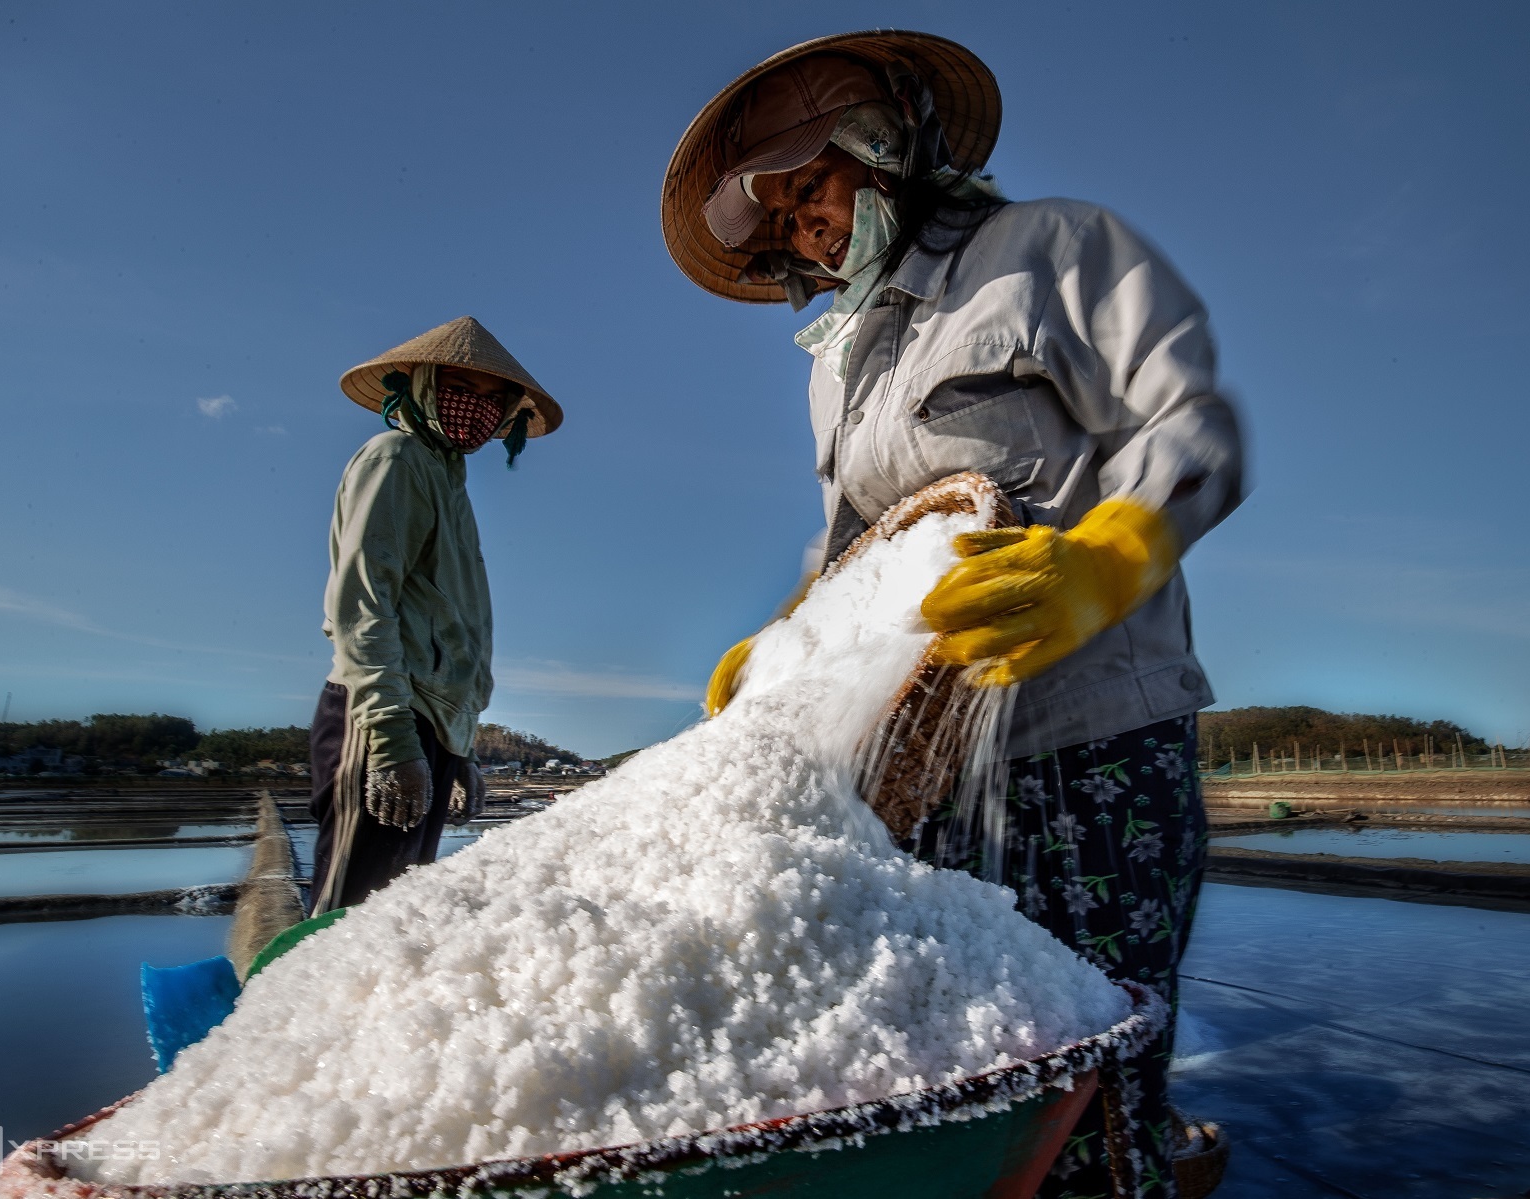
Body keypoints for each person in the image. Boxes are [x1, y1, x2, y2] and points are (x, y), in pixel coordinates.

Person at [662, 33, 1245, 1198]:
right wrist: (773, 651)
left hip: (1092, 747)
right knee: (964, 1069)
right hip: (926, 772)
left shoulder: (1049, 252)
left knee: (1092, 1080)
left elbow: (1195, 428)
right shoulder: (835, 366)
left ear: (885, 142)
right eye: (779, 222)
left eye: (810, 189)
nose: (804, 230)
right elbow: (853, 555)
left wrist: (1109, 553)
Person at [309, 316, 562, 916]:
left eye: (489, 399)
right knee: (343, 919)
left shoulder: (450, 485)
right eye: (458, 389)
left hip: (432, 726)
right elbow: (363, 605)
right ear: (421, 385)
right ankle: (278, 1012)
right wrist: (393, 740)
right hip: (384, 715)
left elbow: (450, 628)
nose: (473, 408)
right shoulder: (396, 458)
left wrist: (463, 750)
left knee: (391, 921)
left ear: (505, 415)